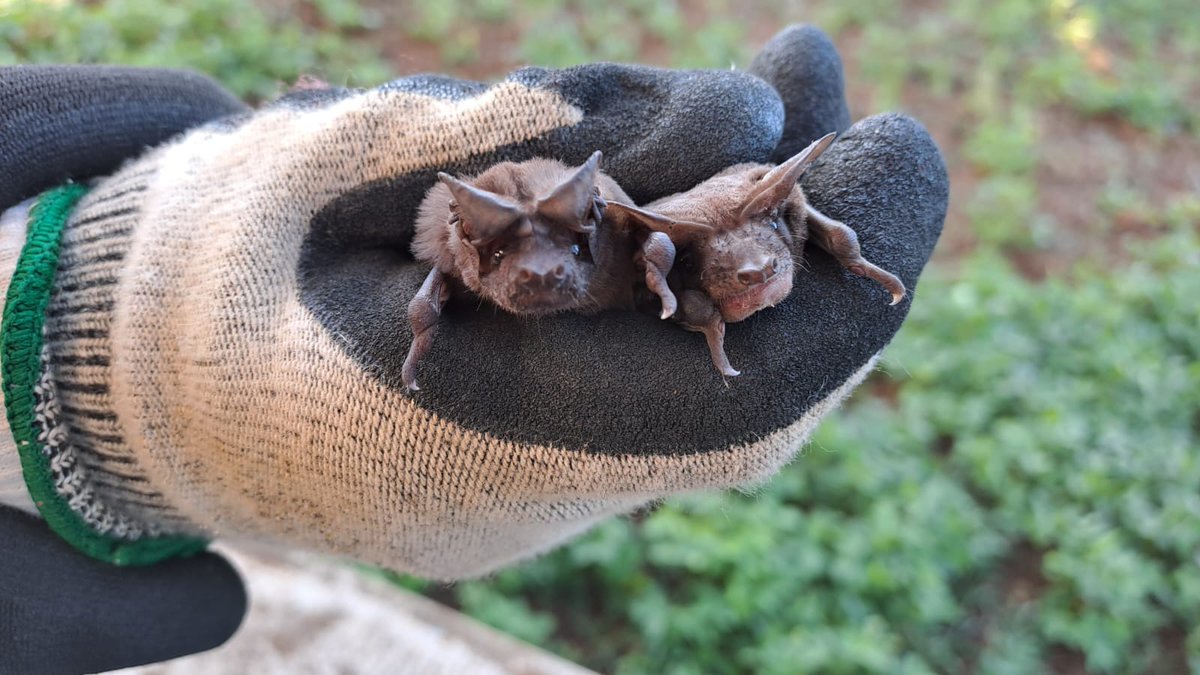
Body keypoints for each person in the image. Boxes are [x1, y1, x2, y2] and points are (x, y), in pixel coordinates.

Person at [0, 25, 947, 673]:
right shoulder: (464, 262)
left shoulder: (640, 231)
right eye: (510, 260)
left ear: (598, 228)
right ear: (470, 253)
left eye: (566, 252)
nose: (539, 276)